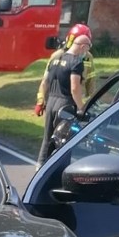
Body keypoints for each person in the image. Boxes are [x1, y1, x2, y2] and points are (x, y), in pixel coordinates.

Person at [35, 32, 92, 165]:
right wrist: (81, 107)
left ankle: (41, 165)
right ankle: (57, 168)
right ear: (83, 46)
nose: (87, 53)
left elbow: (45, 82)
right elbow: (74, 87)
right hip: (65, 104)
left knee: (47, 137)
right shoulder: (76, 62)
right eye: (87, 49)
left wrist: (41, 101)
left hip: (51, 102)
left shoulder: (56, 59)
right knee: (63, 140)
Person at [35, 23, 96, 113]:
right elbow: (46, 81)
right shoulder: (58, 56)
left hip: (79, 102)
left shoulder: (88, 57)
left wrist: (92, 102)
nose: (86, 50)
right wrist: (40, 101)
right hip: (60, 100)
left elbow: (91, 81)